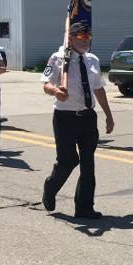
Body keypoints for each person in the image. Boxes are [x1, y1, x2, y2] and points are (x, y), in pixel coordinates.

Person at [41, 21, 115, 219]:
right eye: (82, 37)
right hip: (65, 117)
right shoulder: (57, 58)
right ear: (71, 38)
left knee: (88, 164)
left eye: (88, 37)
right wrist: (56, 91)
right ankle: (50, 187)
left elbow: (98, 88)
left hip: (88, 117)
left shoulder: (92, 60)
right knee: (68, 160)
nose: (86, 41)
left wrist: (108, 114)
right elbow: (45, 84)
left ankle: (84, 207)